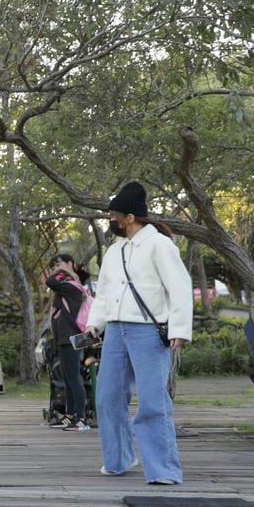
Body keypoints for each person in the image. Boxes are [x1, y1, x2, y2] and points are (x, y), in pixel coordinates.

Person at [84, 181, 192, 485]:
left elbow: (180, 288)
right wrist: (95, 324)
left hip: (149, 331)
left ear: (129, 217)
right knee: (106, 397)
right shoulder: (115, 252)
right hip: (116, 331)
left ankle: (164, 470)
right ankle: (119, 460)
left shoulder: (159, 245)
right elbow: (103, 294)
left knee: (153, 400)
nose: (111, 221)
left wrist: (180, 329)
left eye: (114, 215)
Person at [45, 253, 93, 431]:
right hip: (64, 338)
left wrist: (65, 273)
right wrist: (64, 273)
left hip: (71, 337)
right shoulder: (66, 286)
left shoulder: (73, 286)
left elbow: (50, 281)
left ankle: (81, 419)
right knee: (68, 378)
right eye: (54, 267)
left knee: (74, 378)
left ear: (70, 263)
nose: (56, 270)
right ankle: (70, 416)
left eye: (59, 265)